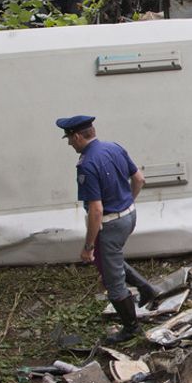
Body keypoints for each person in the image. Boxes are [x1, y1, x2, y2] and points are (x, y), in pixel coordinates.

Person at [56, 114, 160, 343]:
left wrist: (88, 246)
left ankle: (131, 328)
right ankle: (146, 288)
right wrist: (128, 202)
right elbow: (139, 179)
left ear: (77, 136)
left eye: (69, 139)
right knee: (109, 257)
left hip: (110, 223)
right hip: (129, 216)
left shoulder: (87, 165)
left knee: (113, 282)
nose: (69, 143)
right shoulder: (114, 148)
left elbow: (96, 211)